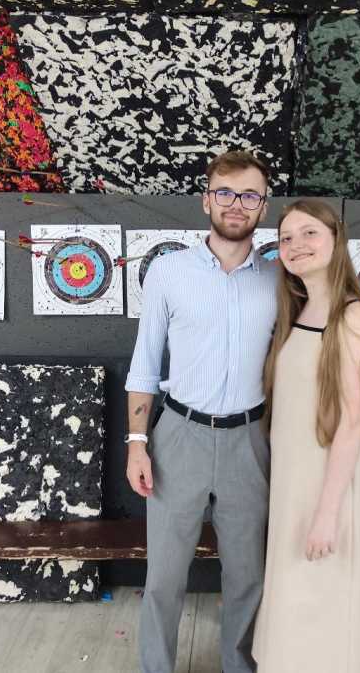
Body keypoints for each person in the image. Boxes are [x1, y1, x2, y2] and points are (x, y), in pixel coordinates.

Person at [125, 150, 278, 673]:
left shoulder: (280, 280)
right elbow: (145, 362)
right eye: (226, 192)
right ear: (206, 200)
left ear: (264, 206)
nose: (237, 204)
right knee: (165, 576)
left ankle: (239, 664)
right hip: (179, 436)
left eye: (250, 195)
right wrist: (137, 444)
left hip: (250, 440)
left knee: (248, 575)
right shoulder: (168, 272)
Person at [252, 198, 360, 673]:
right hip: (292, 484)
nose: (296, 245)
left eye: (309, 233)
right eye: (286, 237)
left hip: (329, 486)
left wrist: (327, 513)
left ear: (336, 239)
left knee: (323, 605)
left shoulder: (355, 315)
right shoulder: (300, 312)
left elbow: (352, 422)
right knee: (293, 602)